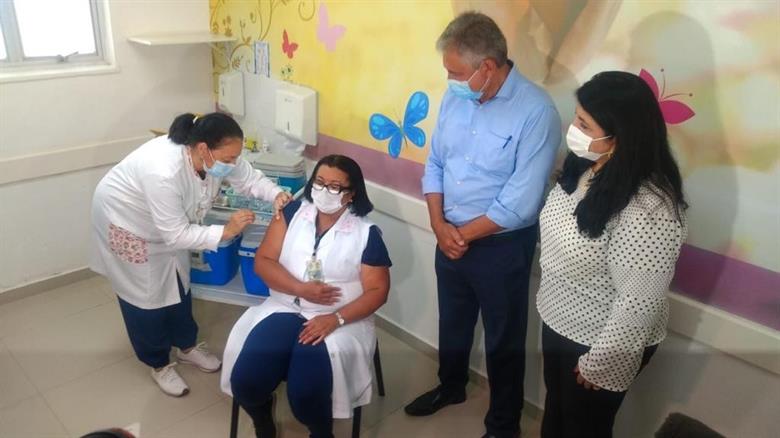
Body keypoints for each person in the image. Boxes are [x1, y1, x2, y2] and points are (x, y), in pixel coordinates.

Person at [405, 11, 562, 438]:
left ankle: (503, 425)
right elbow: (436, 162)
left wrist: (458, 235)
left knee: (503, 339)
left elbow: (521, 203)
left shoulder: (536, 112)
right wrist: (439, 224)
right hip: (448, 233)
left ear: (487, 67)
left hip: (501, 246)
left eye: (456, 72)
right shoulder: (455, 98)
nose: (449, 80)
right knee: (452, 323)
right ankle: (451, 386)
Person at [90, 112, 290, 397]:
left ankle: (186, 346)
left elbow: (248, 178)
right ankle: (158, 363)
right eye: (229, 158)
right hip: (129, 223)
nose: (233, 163)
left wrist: (276, 194)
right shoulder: (163, 172)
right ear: (203, 148)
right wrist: (226, 231)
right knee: (145, 299)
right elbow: (175, 235)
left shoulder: (215, 155)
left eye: (236, 156)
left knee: (179, 283)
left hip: (169, 226)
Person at [536, 71, 688, 438]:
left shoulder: (649, 208)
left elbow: (639, 301)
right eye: (577, 117)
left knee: (584, 427)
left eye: (584, 124)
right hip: (558, 319)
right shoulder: (585, 165)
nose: (573, 129)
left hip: (600, 339)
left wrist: (601, 364)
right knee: (556, 414)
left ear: (620, 137)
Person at [220, 155, 392, 438]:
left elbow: (378, 291)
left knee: (305, 396)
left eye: (334, 187)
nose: (324, 191)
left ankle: (321, 432)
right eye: (319, 183)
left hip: (340, 318)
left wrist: (335, 319)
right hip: (285, 307)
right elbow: (263, 261)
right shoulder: (292, 213)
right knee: (246, 383)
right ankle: (263, 420)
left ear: (351, 194)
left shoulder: (366, 234)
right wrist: (300, 289)